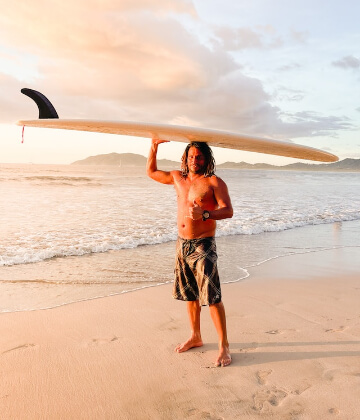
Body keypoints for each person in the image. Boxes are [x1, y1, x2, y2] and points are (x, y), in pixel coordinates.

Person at [147, 139, 233, 367]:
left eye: (200, 157)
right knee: (190, 295)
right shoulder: (177, 178)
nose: (195, 161)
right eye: (192, 156)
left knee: (212, 298)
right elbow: (152, 172)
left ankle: (224, 345)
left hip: (203, 245)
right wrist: (154, 144)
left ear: (207, 159)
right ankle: (196, 336)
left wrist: (205, 214)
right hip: (182, 244)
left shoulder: (214, 182)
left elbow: (228, 211)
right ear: (185, 158)